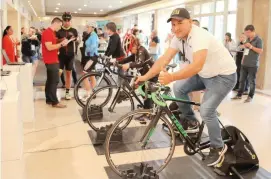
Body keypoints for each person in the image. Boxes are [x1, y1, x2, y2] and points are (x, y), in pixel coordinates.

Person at [136, 8, 237, 166]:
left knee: (206, 110)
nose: (176, 28)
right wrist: (144, 77)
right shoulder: (178, 38)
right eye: (173, 25)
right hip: (205, 74)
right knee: (179, 88)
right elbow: (163, 59)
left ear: (190, 21)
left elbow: (196, 65)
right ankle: (191, 122)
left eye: (180, 23)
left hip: (223, 77)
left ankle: (218, 147)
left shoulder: (199, 36)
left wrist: (171, 76)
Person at [119, 38, 157, 120]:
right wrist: (116, 63)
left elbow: (140, 63)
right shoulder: (135, 53)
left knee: (146, 92)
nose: (130, 51)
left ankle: (148, 113)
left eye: (130, 48)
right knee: (142, 90)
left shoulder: (141, 50)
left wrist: (129, 65)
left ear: (135, 46)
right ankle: (146, 108)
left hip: (152, 74)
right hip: (146, 75)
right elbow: (127, 59)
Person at [42, 17, 69, 108]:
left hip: (52, 59)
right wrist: (61, 44)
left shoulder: (50, 33)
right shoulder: (48, 32)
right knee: (54, 81)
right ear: (55, 23)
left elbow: (52, 43)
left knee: (50, 81)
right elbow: (49, 47)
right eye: (60, 25)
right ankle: (55, 102)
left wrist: (60, 41)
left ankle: (49, 99)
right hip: (51, 60)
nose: (60, 27)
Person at [232, 25, 263, 103]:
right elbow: (246, 51)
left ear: (252, 31)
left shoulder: (259, 40)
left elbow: (260, 51)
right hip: (244, 64)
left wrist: (251, 47)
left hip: (253, 64)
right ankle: (239, 95)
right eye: (246, 33)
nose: (247, 35)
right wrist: (242, 60)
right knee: (242, 80)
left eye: (248, 33)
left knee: (252, 81)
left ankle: (250, 96)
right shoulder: (247, 39)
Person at [56, 12, 78, 99]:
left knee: (69, 74)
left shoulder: (74, 30)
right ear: (62, 21)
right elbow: (55, 41)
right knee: (58, 73)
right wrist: (62, 40)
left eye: (68, 20)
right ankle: (54, 91)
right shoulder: (58, 31)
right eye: (65, 20)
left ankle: (67, 92)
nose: (67, 22)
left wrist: (76, 39)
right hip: (60, 55)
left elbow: (77, 39)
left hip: (70, 56)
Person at [80, 22, 99, 101]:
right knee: (91, 75)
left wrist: (87, 52)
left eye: (88, 27)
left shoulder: (93, 35)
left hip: (92, 57)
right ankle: (93, 93)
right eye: (86, 27)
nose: (87, 28)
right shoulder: (92, 35)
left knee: (84, 74)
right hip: (91, 57)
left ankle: (89, 94)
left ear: (92, 27)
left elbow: (93, 46)